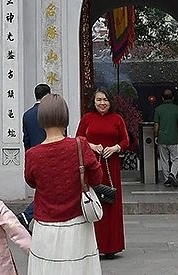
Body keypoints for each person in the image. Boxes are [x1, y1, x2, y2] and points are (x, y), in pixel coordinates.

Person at [24, 94, 103, 274]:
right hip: (78, 221)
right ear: (65, 117)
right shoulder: (80, 145)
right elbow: (97, 178)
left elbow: (31, 182)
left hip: (45, 224)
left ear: (41, 119)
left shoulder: (33, 154)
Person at [76, 88, 130, 259]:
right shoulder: (87, 118)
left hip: (111, 166)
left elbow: (126, 140)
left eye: (105, 100)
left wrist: (115, 148)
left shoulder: (117, 119)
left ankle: (111, 246)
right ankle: (94, 245)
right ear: (94, 101)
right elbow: (78, 139)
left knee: (110, 202)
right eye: (99, 100)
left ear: (110, 101)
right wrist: (92, 146)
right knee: (93, 201)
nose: (102, 103)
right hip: (93, 165)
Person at [19, 83, 52, 231]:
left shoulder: (27, 114)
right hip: (50, 156)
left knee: (43, 189)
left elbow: (26, 139)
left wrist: (29, 155)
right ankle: (28, 215)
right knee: (48, 190)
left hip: (34, 156)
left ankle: (29, 216)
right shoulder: (50, 113)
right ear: (48, 95)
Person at [153, 89, 178, 187]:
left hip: (162, 138)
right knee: (176, 158)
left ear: (162, 98)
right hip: (174, 137)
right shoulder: (177, 108)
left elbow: (156, 125)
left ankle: (167, 179)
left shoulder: (158, 109)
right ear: (173, 98)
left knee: (164, 159)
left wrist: (156, 136)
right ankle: (172, 174)